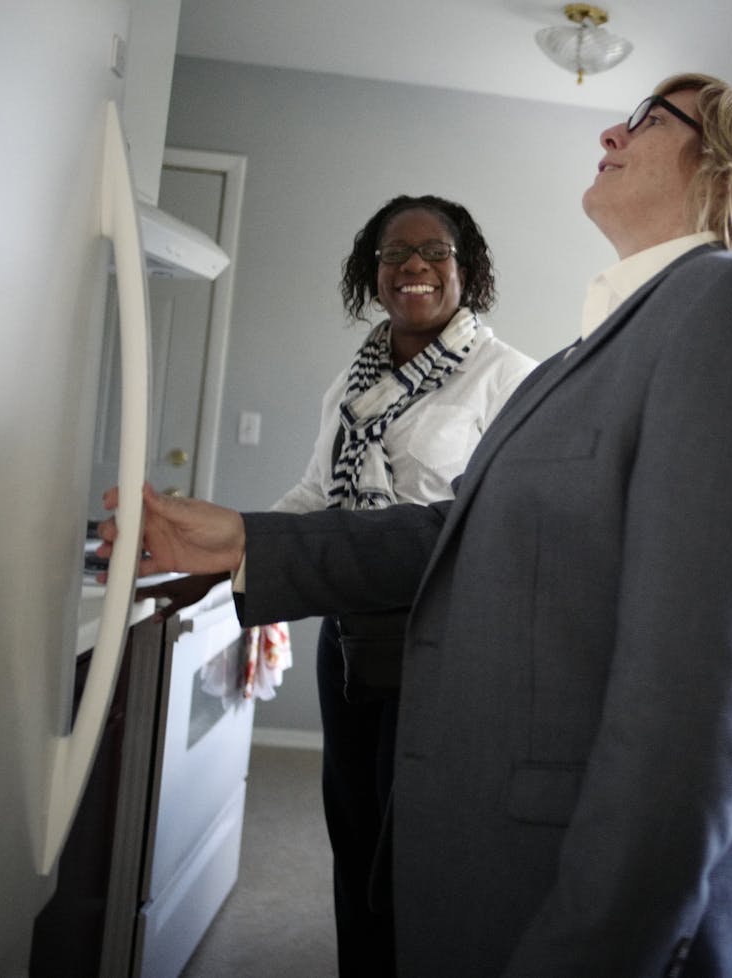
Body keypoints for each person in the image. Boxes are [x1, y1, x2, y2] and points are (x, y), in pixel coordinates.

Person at [100, 73, 732, 978]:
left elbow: (699, 714)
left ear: (727, 163)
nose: (613, 130)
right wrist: (245, 542)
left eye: (651, 118)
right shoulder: (589, 359)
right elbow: (459, 534)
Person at [143, 194, 536, 976]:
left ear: (469, 271)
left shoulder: (509, 379)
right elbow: (313, 498)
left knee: (416, 838)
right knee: (353, 823)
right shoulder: (351, 381)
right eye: (394, 255)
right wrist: (215, 546)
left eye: (435, 253)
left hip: (441, 641)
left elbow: (491, 532)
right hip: (350, 633)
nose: (414, 267)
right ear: (373, 272)